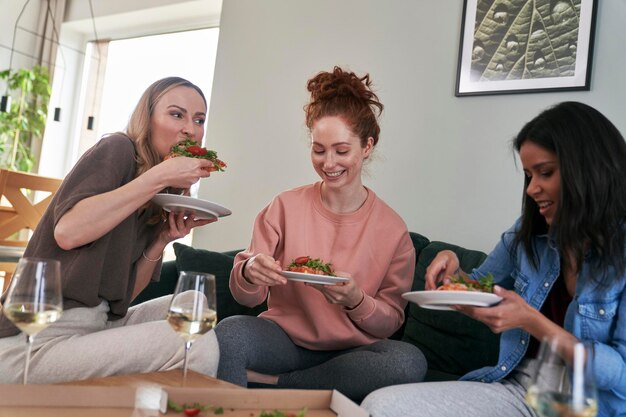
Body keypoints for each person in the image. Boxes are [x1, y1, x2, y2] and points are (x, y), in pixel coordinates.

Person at [361, 101, 626, 417]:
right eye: (529, 175)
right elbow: (478, 289)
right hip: (523, 390)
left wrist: (532, 321)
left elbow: (621, 376)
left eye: (546, 172)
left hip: (597, 407)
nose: (532, 189)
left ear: (590, 169)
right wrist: (452, 272)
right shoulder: (529, 234)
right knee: (380, 406)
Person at [214, 66, 426, 402]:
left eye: (342, 151)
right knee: (229, 334)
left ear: (367, 147)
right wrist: (250, 272)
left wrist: (356, 301)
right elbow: (247, 298)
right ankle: (282, 391)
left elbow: (391, 321)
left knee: (407, 362)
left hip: (353, 353)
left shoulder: (393, 230)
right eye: (319, 149)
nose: (329, 163)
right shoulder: (283, 207)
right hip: (283, 340)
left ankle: (280, 386)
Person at [0, 77, 221, 383]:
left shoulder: (159, 195)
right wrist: (156, 178)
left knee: (193, 306)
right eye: (176, 114)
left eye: (199, 120)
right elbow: (68, 232)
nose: (190, 129)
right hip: (34, 341)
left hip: (97, 324)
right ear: (148, 119)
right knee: (196, 341)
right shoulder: (118, 149)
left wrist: (161, 240)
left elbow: (124, 297)